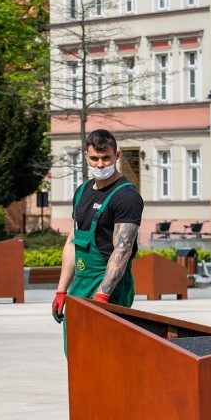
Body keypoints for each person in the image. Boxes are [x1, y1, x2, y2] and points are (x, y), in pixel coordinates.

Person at [51, 129, 143, 327]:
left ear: (116, 155)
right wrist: (61, 290)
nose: (100, 164)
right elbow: (72, 240)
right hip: (81, 283)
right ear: (86, 156)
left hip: (110, 287)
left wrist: (103, 295)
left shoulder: (126, 196)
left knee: (104, 352)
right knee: (76, 350)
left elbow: (122, 249)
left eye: (106, 158)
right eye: (94, 158)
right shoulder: (82, 191)